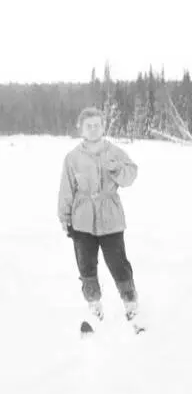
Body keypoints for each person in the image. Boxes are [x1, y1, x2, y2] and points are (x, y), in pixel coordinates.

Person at [58, 106, 142, 332]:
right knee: (86, 265)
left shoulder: (114, 152)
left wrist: (116, 170)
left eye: (97, 125)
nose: (94, 129)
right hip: (82, 219)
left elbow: (130, 175)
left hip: (111, 217)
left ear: (103, 126)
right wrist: (65, 217)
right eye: (89, 126)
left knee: (118, 262)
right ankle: (94, 305)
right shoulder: (72, 158)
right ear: (81, 129)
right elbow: (66, 190)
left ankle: (130, 302)